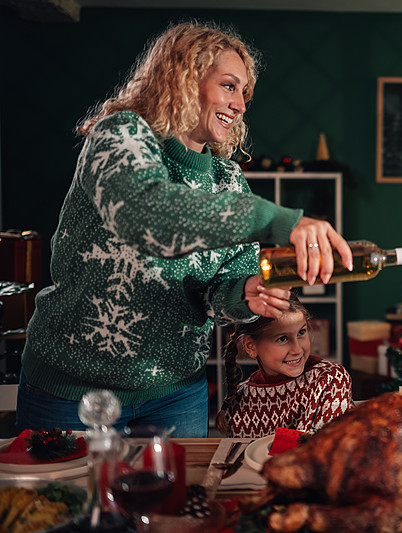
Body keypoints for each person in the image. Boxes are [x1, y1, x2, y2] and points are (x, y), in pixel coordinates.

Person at [16, 21, 353, 438]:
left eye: (244, 92)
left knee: (172, 504)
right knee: (70, 504)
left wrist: (243, 293)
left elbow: (220, 289)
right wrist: (281, 220)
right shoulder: (120, 134)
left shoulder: (228, 179)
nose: (241, 105)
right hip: (74, 392)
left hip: (177, 395)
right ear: (185, 77)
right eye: (230, 86)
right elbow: (149, 214)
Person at [216, 292, 353, 438]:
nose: (297, 349)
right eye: (282, 339)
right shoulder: (239, 398)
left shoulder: (330, 379)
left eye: (301, 332)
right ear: (251, 347)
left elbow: (326, 449)